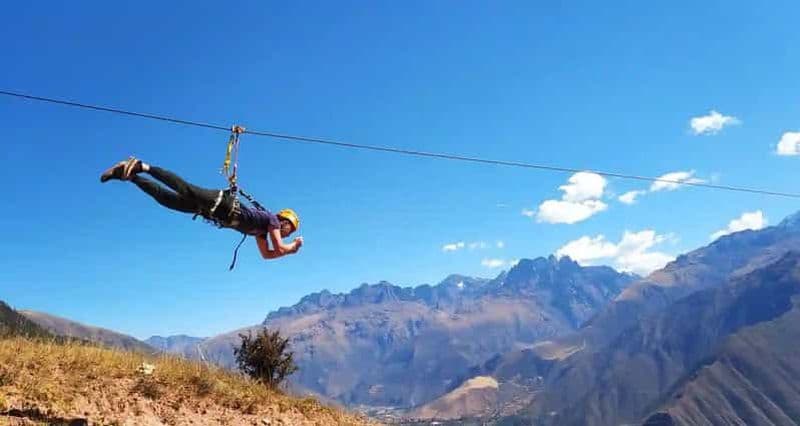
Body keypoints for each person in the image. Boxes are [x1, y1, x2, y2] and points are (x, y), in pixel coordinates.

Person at [100, 157, 302, 260]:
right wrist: (292, 247)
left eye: (289, 232)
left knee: (167, 200)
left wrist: (288, 250)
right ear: (283, 221)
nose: (287, 233)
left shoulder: (260, 233)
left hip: (211, 212)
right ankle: (142, 166)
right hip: (222, 203)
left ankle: (128, 176)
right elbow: (279, 248)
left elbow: (267, 255)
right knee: (185, 189)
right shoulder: (271, 221)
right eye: (289, 229)